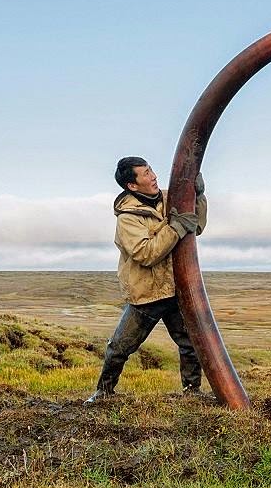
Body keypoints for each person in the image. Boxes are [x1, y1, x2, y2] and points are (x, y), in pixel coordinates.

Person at [85, 156, 207, 404]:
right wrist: (175, 228)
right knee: (120, 347)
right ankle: (103, 393)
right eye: (145, 174)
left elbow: (196, 226)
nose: (153, 176)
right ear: (132, 185)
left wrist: (199, 197)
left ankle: (192, 391)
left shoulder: (169, 197)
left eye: (151, 170)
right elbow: (146, 254)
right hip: (146, 295)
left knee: (190, 344)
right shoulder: (127, 218)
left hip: (174, 288)